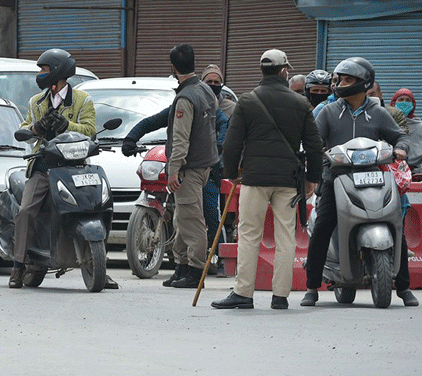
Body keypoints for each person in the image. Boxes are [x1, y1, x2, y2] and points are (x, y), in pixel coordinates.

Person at [301, 57, 418, 307]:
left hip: (374, 177)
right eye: (340, 79)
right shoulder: (329, 112)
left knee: (394, 222)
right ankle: (311, 286)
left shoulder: (378, 113)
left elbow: (400, 137)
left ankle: (404, 288)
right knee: (323, 226)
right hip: (337, 177)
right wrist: (315, 153)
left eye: (347, 79)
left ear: (363, 83)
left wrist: (401, 148)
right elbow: (314, 140)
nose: (341, 84)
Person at [211, 49, 322, 310]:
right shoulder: (300, 103)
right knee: (286, 236)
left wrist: (231, 174)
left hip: (254, 177)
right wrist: (312, 178)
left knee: (249, 234)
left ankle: (243, 293)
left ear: (262, 70)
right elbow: (315, 146)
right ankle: (280, 296)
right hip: (288, 179)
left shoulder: (248, 101)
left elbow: (231, 144)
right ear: (284, 71)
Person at [9, 49, 100, 289]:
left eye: (44, 70)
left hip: (74, 167)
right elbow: (25, 131)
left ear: (58, 72)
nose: (40, 74)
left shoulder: (83, 100)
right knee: (26, 211)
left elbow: (90, 130)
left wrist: (67, 124)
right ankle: (18, 267)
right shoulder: (35, 102)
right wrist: (37, 128)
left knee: (96, 207)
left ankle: (100, 266)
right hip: (44, 166)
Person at [121, 103, 228, 273]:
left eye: (215, 83)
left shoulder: (210, 110)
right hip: (180, 168)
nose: (211, 86)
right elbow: (151, 122)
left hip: (204, 169)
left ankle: (220, 257)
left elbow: (225, 126)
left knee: (208, 211)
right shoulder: (178, 106)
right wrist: (131, 138)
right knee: (181, 217)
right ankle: (181, 266)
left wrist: (219, 146)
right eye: (209, 81)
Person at [161, 44, 219, 289]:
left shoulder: (185, 97)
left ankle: (195, 271)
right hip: (204, 166)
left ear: (173, 68)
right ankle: (181, 267)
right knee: (182, 219)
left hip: (189, 168)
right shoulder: (206, 90)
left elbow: (181, 139)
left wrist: (173, 169)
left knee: (192, 221)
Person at [391, 88, 422, 174]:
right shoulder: (387, 123)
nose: (404, 102)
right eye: (401, 100)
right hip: (392, 169)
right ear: (393, 104)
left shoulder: (419, 126)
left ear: (413, 104)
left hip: (417, 172)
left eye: (408, 100)